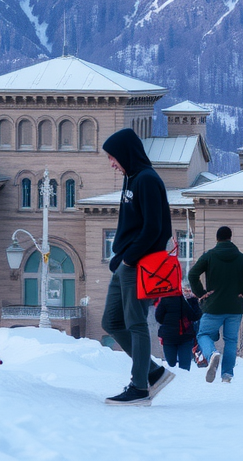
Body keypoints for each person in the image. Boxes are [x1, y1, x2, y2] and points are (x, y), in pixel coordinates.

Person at [100, 127, 175, 406]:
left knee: (135, 324)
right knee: (111, 321)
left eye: (113, 157)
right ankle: (153, 372)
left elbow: (155, 228)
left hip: (140, 265)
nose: (111, 164)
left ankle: (140, 387)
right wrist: (120, 257)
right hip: (127, 262)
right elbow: (132, 227)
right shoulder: (131, 178)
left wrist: (129, 258)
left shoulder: (147, 180)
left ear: (125, 154)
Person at [188, 226, 243, 384]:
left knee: (203, 335)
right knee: (230, 340)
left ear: (217, 239)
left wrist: (201, 293)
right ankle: (227, 375)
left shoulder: (209, 256)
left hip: (213, 307)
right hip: (234, 308)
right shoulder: (242, 258)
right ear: (230, 238)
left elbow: (192, 274)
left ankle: (212, 354)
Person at [153, 286, 201, 372]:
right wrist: (193, 301)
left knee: (171, 365)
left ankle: (176, 383)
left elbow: (159, 318)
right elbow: (195, 316)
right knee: (184, 367)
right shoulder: (186, 300)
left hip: (169, 337)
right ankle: (183, 384)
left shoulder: (165, 299)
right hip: (184, 336)